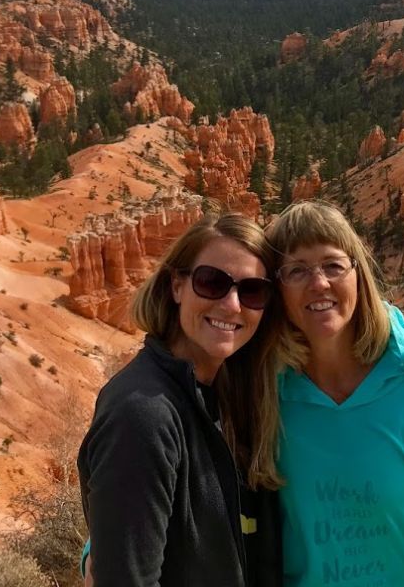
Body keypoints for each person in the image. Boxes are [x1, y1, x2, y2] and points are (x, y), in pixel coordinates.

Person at [264, 200, 404, 587]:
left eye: (333, 265)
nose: (318, 283)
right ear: (277, 291)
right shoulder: (270, 398)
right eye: (296, 270)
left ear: (359, 275)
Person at [77, 212, 284, 587]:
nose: (233, 304)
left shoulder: (231, 395)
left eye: (252, 291)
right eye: (211, 283)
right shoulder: (143, 413)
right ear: (177, 286)